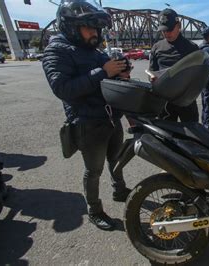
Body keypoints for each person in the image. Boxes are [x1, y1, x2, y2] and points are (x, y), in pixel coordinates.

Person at [42, 0, 132, 231]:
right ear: (72, 27)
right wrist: (103, 72)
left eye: (96, 28)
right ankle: (94, 210)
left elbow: (110, 74)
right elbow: (62, 89)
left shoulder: (94, 50)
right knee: (94, 170)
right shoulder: (56, 49)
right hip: (87, 122)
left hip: (110, 117)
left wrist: (121, 71)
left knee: (117, 158)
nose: (95, 33)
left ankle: (120, 190)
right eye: (89, 28)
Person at [149, 8, 200, 122]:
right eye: (163, 30)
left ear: (179, 25)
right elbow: (151, 71)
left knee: (190, 136)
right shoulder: (157, 47)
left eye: (170, 29)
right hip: (164, 101)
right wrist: (152, 78)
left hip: (186, 101)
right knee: (166, 135)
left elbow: (198, 77)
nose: (166, 33)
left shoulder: (192, 48)